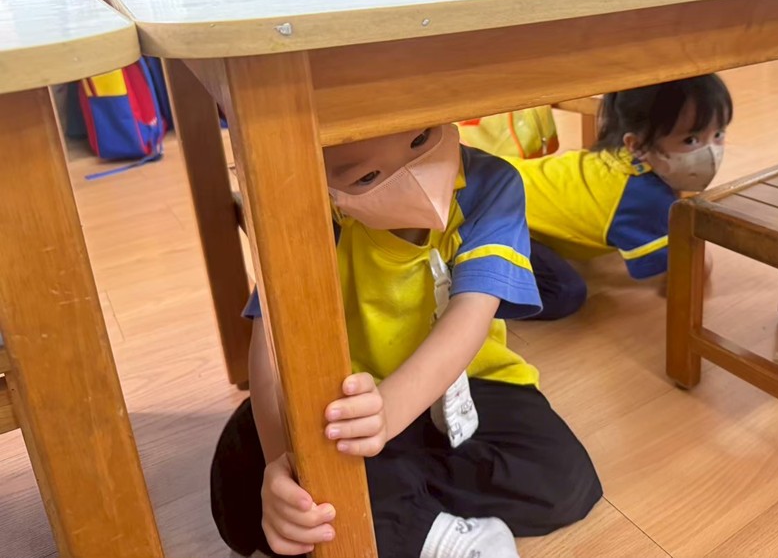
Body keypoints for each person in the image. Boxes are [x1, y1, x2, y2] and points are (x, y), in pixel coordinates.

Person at [209, 123, 601, 558]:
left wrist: (389, 412)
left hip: (467, 383)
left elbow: (470, 316)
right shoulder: (307, 212)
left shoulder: (488, 185)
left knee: (567, 479)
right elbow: (271, 344)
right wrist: (283, 463)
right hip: (347, 399)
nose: (416, 176)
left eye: (421, 139)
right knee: (243, 488)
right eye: (367, 177)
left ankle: (392, 507)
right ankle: (419, 521)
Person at [506, 75, 733, 320]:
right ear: (636, 144)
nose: (711, 152)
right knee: (563, 293)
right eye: (691, 140)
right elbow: (688, 268)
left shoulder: (622, 159)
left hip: (504, 182)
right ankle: (477, 289)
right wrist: (700, 261)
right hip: (494, 218)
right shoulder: (643, 198)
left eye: (718, 134)